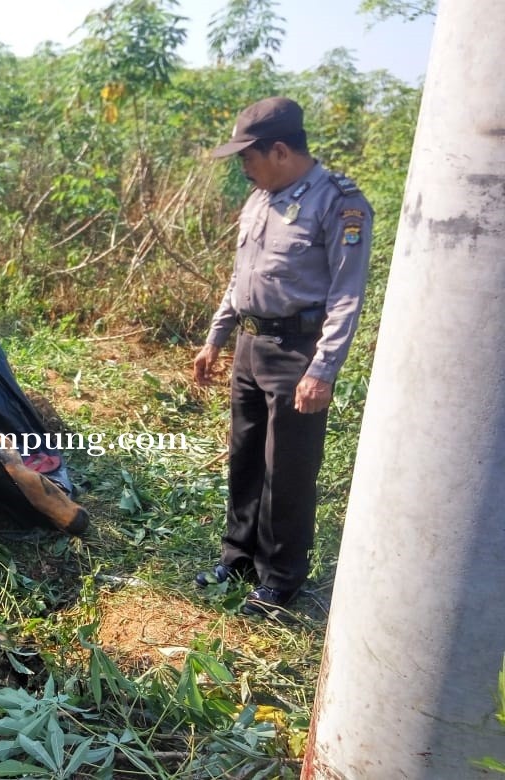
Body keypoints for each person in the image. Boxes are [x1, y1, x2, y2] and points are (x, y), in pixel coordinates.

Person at [193, 96, 372, 615]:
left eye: (247, 158)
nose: (243, 169)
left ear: (278, 150)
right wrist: (216, 338)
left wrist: (323, 369)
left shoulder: (340, 203)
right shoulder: (259, 198)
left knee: (288, 470)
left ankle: (281, 578)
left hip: (298, 351)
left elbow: (346, 294)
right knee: (246, 456)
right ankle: (240, 556)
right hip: (251, 346)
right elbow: (239, 278)